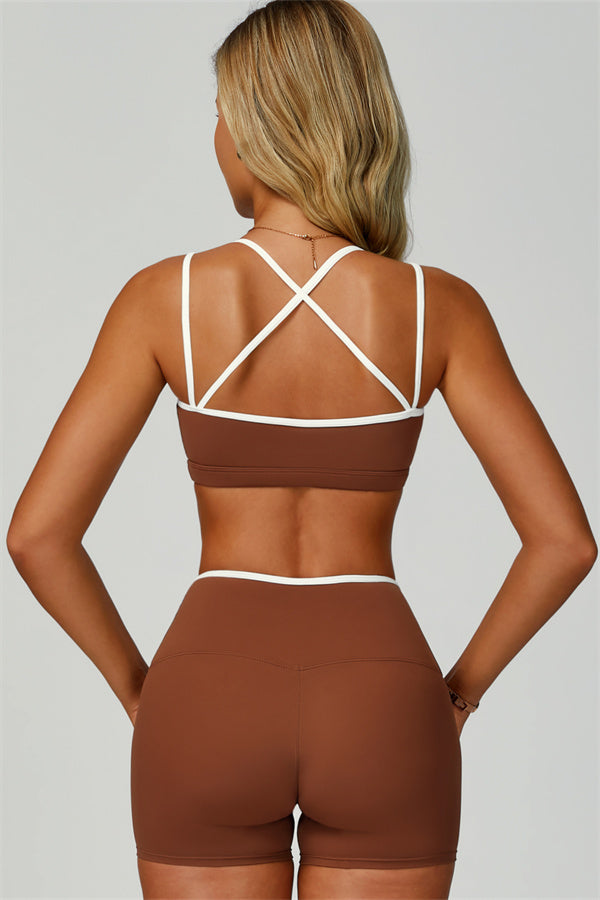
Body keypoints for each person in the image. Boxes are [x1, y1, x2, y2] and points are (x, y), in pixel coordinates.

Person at [6, 1, 597, 898]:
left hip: (208, 691)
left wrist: (140, 691)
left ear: (255, 127)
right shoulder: (438, 308)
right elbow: (564, 542)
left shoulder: (164, 299)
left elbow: (37, 536)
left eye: (221, 112)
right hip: (383, 700)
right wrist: (457, 695)